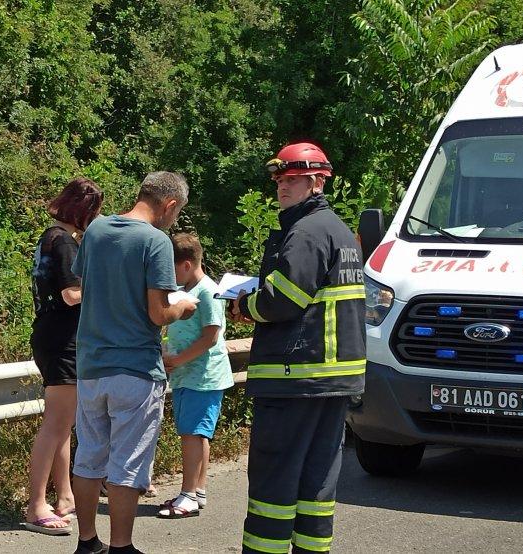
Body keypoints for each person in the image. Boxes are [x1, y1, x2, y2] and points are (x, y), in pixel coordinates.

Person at [230, 143, 366, 554]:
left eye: (291, 179)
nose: (282, 187)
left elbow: (282, 300)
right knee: (316, 483)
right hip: (332, 381)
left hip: (295, 377)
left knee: (275, 481)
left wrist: (243, 305)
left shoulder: (305, 232)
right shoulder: (339, 230)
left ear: (316, 181)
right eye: (278, 180)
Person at [70, 171, 197, 554]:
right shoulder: (155, 241)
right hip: (136, 370)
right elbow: (158, 313)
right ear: (169, 205)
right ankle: (121, 546)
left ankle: (87, 541)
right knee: (128, 462)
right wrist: (183, 307)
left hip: (91, 366)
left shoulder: (95, 231)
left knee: (89, 458)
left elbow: (85, 287)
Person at [23, 177, 104, 536]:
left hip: (48, 334)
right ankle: (36, 504)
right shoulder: (66, 244)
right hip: (64, 340)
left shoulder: (47, 237)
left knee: (62, 424)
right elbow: (73, 294)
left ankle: (66, 496)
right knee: (55, 425)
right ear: (84, 211)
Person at [157, 233, 234, 519]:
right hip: (191, 376)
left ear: (187, 265)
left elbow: (211, 336)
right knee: (198, 433)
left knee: (192, 434)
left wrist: (177, 359)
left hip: (202, 376)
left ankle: (188, 494)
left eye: (172, 268)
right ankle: (197, 490)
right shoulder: (187, 289)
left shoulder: (207, 291)